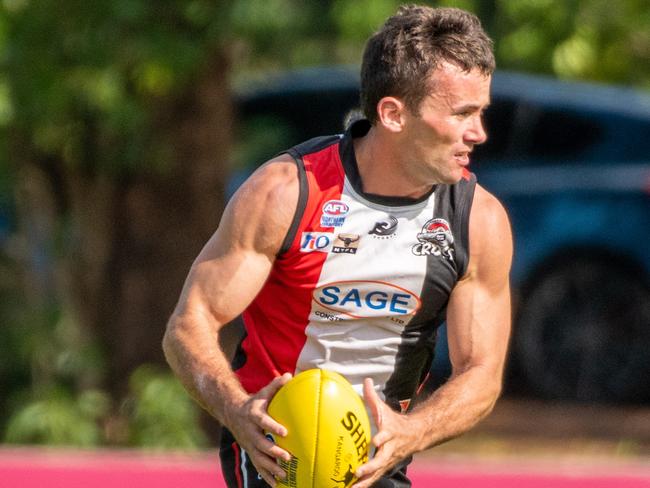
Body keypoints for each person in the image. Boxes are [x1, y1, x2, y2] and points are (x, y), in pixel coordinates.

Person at [163, 5, 512, 487]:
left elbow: (482, 374)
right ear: (392, 114)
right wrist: (237, 410)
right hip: (275, 450)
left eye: (481, 112)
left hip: (377, 459)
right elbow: (189, 323)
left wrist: (412, 432)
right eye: (462, 114)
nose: (479, 133)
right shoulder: (287, 192)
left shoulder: (478, 221)